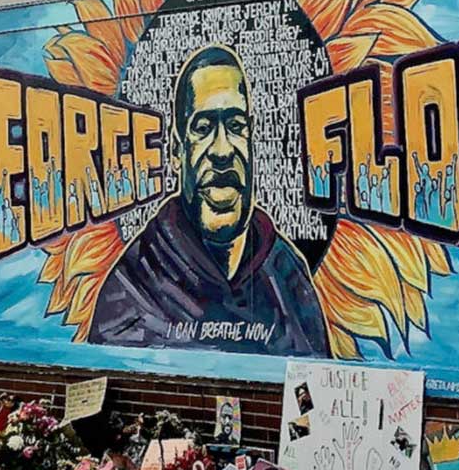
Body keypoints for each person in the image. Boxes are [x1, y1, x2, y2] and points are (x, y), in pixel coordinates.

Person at [88, 45, 329, 357]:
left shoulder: (286, 273)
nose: (222, 150)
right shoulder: (133, 287)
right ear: (177, 151)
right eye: (202, 128)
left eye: (236, 126)